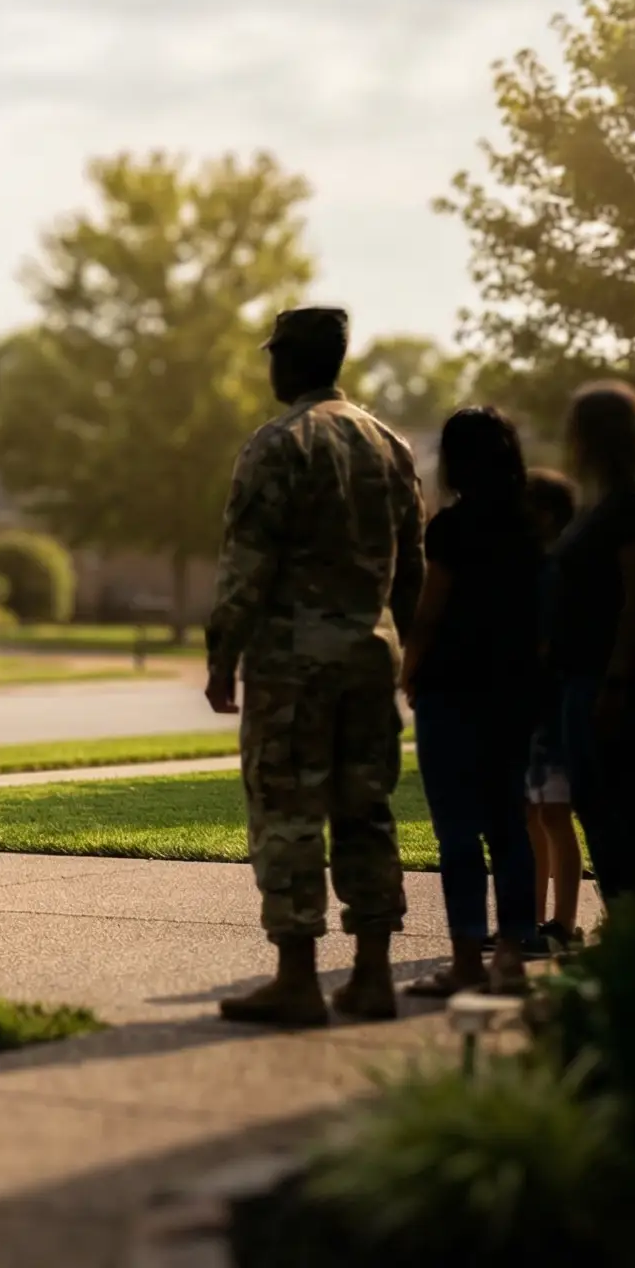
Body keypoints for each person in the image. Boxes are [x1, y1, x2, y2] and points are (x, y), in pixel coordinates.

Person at [205, 306, 425, 1028]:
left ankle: (297, 978)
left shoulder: (279, 445)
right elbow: (412, 564)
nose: (270, 368)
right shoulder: (387, 444)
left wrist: (222, 656)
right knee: (366, 811)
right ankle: (371, 977)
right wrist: (406, 643)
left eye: (275, 356)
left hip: (293, 664)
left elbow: (247, 567)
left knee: (288, 811)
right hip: (370, 655)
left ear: (293, 361)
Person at [397, 408, 543, 998]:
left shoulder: (451, 528)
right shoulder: (531, 526)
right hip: (512, 689)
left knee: (457, 828)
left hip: (452, 687)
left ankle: (465, 958)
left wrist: (409, 669)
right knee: (509, 823)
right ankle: (511, 954)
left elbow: (432, 610)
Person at [550, 381, 635, 902]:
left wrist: (616, 682)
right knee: (599, 797)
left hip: (612, 673)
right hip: (586, 670)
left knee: (620, 798)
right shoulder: (603, 505)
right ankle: (627, 912)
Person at [521, 469, 584, 954]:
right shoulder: (532, 565)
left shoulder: (559, 568)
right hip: (532, 708)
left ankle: (563, 923)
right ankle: (531, 920)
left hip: (552, 705)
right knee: (531, 815)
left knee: (555, 816)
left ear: (544, 515)